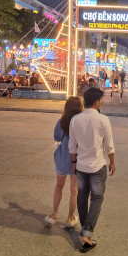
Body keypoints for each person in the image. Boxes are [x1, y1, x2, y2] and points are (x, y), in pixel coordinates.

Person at [69, 87, 116, 253]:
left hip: (81, 166)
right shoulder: (103, 120)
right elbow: (109, 145)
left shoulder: (75, 119)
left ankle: (84, 229)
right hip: (97, 166)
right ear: (96, 102)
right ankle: (87, 236)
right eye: (100, 100)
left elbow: (72, 145)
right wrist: (112, 163)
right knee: (96, 199)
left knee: (82, 197)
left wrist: (74, 162)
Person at [45, 96, 83, 227]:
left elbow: (56, 137)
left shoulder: (61, 121)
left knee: (58, 186)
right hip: (76, 161)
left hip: (62, 159)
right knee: (74, 190)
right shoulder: (81, 123)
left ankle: (54, 214)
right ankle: (70, 218)